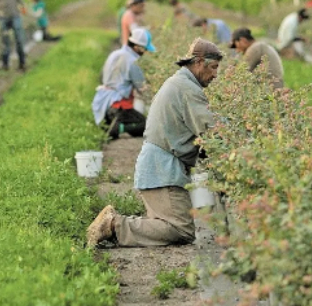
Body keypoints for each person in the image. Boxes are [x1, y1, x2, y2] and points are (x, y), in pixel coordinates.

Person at [87, 39, 223, 247]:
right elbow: (213, 129)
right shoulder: (187, 89)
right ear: (199, 62)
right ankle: (114, 225)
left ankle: (116, 226)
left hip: (159, 168)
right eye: (213, 68)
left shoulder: (180, 83)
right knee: (181, 229)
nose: (215, 75)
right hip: (162, 172)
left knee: (168, 225)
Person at [92, 28, 156, 140]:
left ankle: (109, 125)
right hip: (118, 105)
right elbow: (142, 88)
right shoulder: (133, 61)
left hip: (102, 103)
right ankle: (119, 128)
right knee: (148, 126)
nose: (145, 53)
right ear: (137, 47)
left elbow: (101, 77)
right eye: (144, 49)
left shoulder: (115, 54)